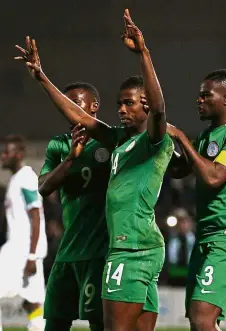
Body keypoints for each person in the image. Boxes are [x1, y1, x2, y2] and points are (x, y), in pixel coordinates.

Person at [15, 9, 174, 331]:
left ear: (145, 105)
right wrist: (42, 77)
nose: (122, 109)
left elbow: (159, 109)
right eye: (120, 103)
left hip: (134, 246)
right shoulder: (118, 138)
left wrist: (143, 53)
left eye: (129, 103)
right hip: (127, 245)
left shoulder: (154, 140)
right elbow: (81, 119)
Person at [167, 69, 226, 331]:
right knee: (200, 323)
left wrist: (182, 138)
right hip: (206, 235)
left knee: (202, 316)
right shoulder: (208, 135)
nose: (199, 100)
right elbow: (179, 169)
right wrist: (161, 141)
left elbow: (214, 177)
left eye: (206, 95)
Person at [38, 82, 112, 331]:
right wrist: (71, 158)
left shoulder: (111, 141)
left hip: (99, 253)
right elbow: (44, 187)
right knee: (55, 323)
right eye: (64, 105)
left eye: (75, 104)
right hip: (66, 252)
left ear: (94, 106)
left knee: (99, 323)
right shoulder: (58, 145)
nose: (67, 110)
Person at [0, 135, 47, 331]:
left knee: (33, 299)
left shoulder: (26, 177)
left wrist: (31, 255)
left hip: (22, 249)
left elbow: (35, 216)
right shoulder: (16, 180)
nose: (3, 156)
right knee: (32, 301)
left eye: (6, 152)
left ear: (18, 154)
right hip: (23, 249)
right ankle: (37, 327)